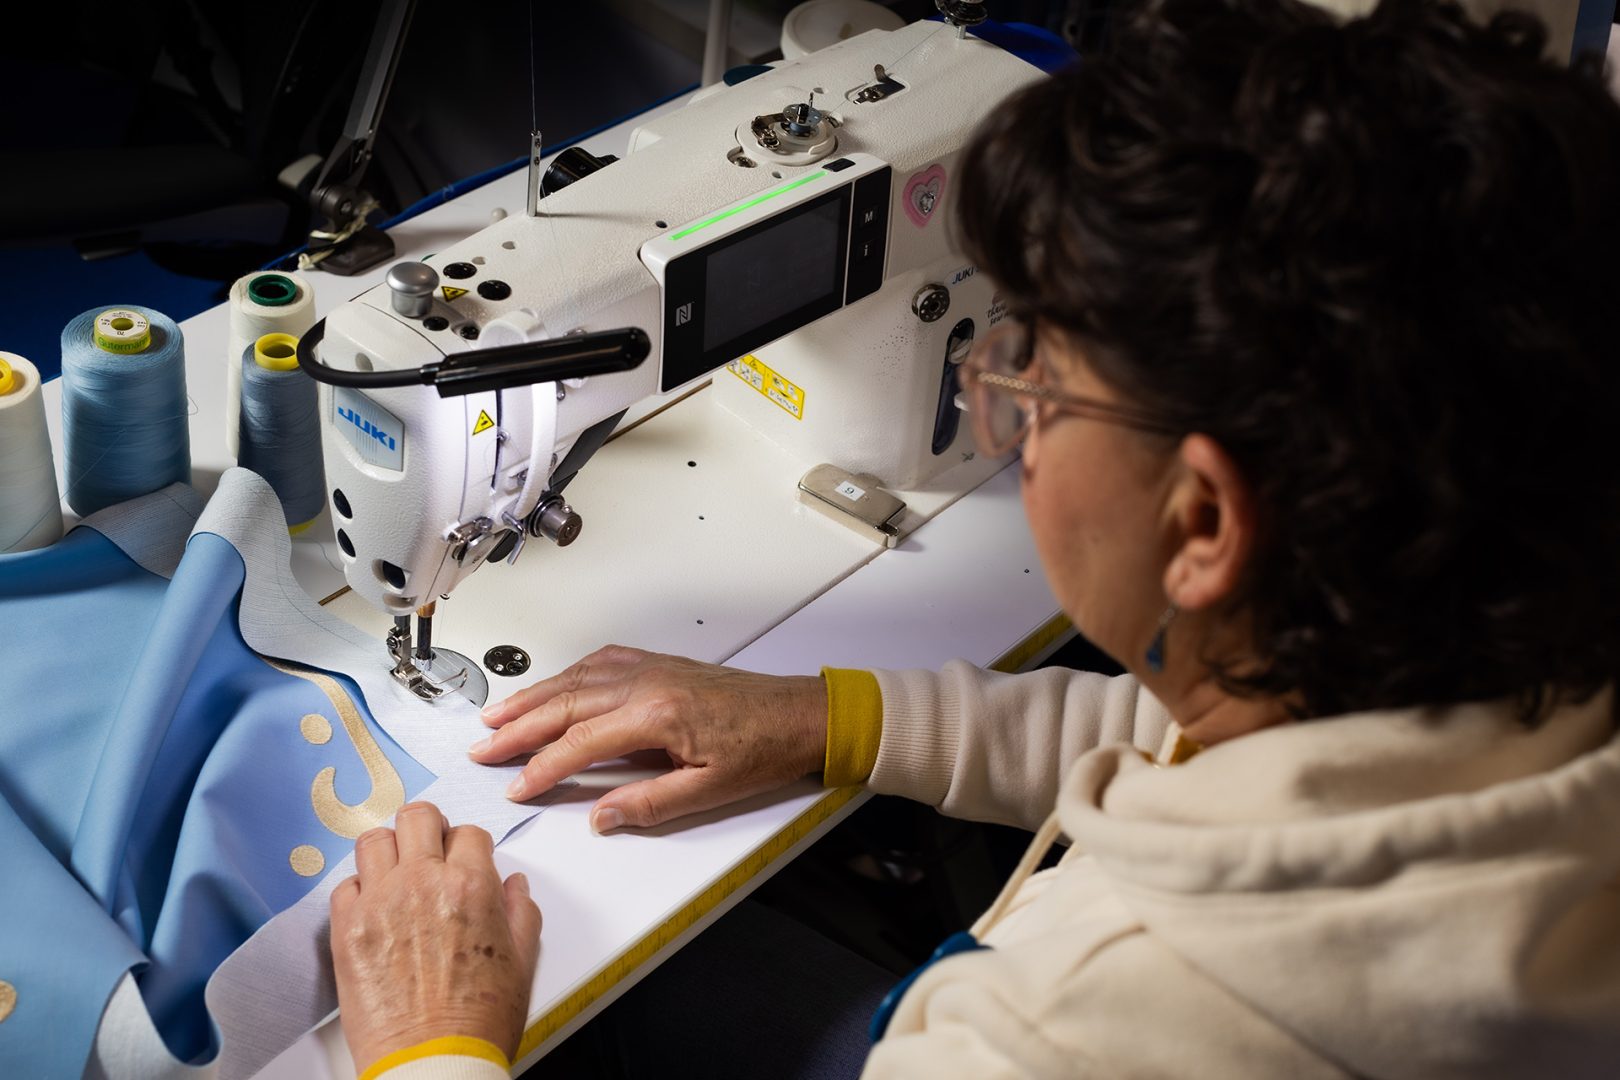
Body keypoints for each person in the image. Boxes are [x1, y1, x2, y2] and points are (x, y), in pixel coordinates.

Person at [326, 0, 1620, 1076]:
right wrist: (835, 719)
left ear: (1206, 522)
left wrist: (431, 1045)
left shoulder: (1057, 1040)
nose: (1010, 403)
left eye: (1038, 372)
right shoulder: (1534, 696)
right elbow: (1236, 760)